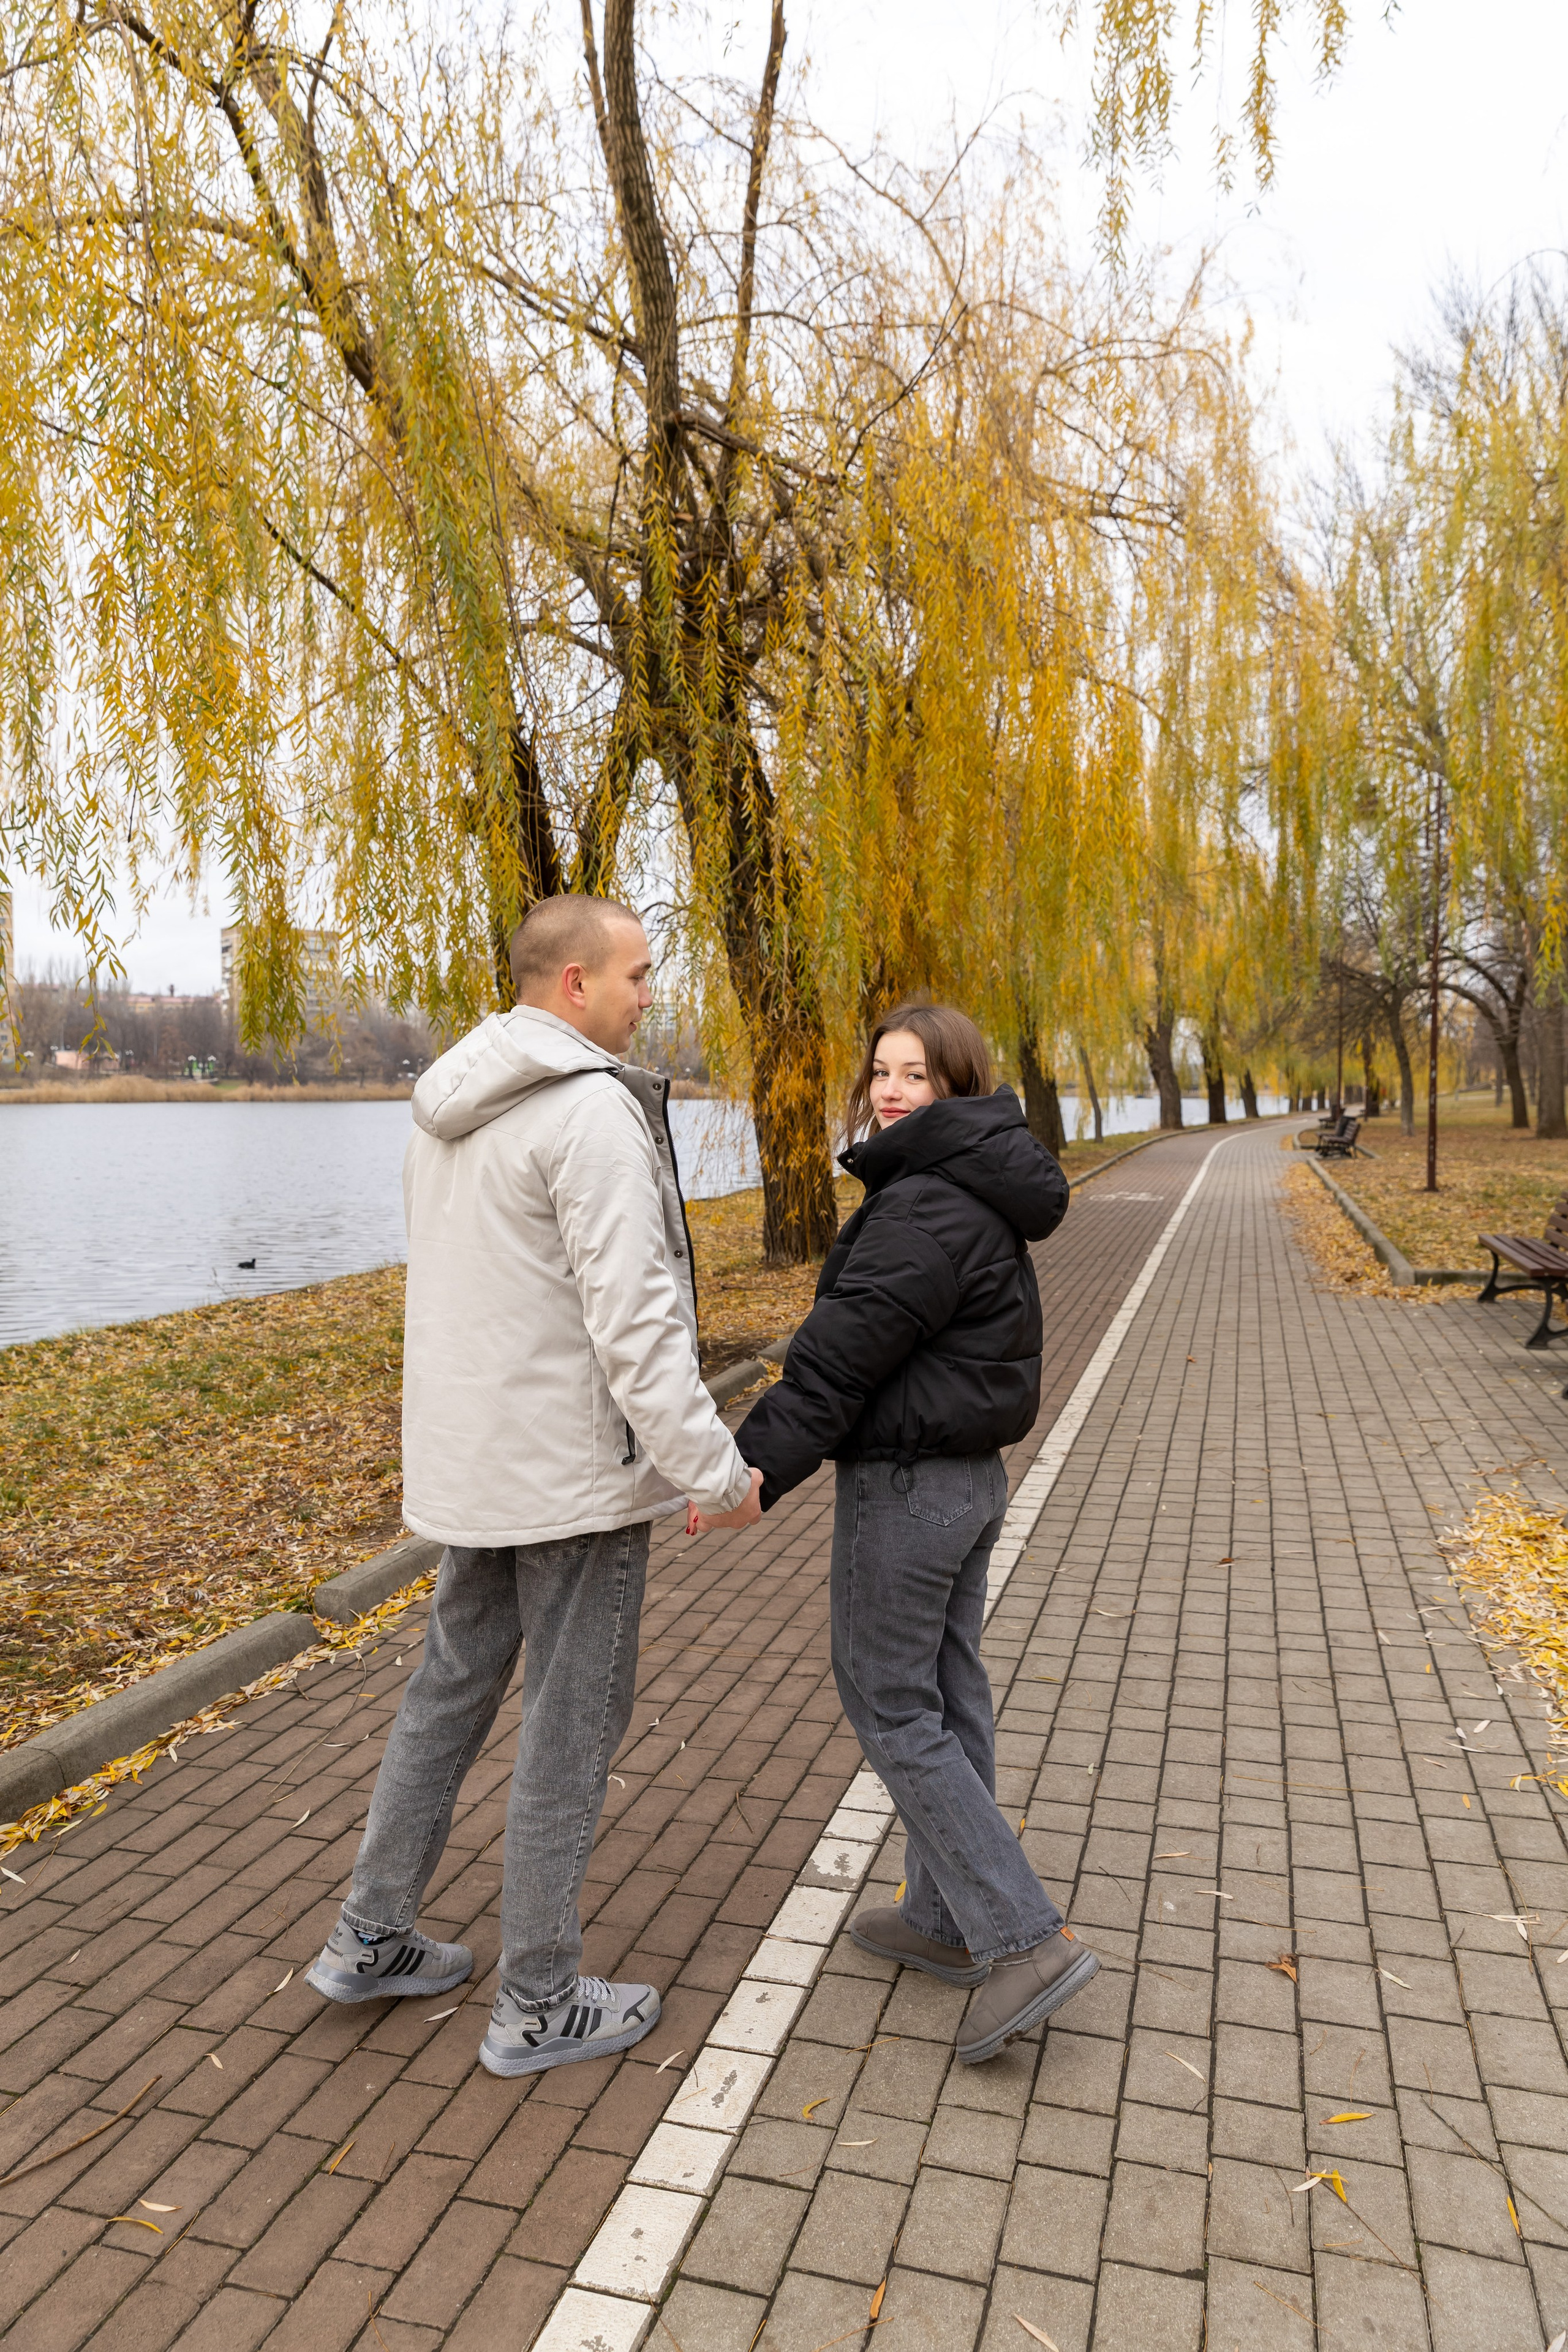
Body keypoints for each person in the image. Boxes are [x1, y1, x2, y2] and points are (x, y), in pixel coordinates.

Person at [307, 895, 763, 2076]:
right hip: (571, 1482)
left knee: (449, 1695)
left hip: (477, 1472)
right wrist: (714, 1467)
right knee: (572, 1720)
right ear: (573, 985)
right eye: (638, 974)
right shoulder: (591, 1115)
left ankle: (370, 1934)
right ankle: (543, 2000)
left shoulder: (447, 1113)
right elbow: (639, 1322)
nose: (650, 993)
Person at [706, 1003, 1097, 2064]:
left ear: (956, 1090)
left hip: (913, 1486)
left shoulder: (925, 1203)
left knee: (888, 1697)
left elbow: (841, 1355)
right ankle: (943, 1917)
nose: (888, 1091)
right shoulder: (972, 1188)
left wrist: (755, 1467)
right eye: (881, 1070)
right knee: (947, 1690)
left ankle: (1021, 1934)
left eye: (915, 1077)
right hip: (966, 1480)